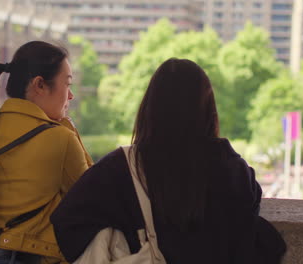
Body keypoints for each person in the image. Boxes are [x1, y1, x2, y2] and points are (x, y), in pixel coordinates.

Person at [51, 58, 286, 263]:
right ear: (207, 108)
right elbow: (248, 219)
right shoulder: (232, 168)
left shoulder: (122, 168)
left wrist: (126, 237)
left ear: (150, 108)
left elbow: (67, 221)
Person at [0, 41, 93, 264]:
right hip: (23, 256)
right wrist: (69, 128)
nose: (71, 96)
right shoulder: (60, 138)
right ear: (39, 85)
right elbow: (89, 197)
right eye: (67, 84)